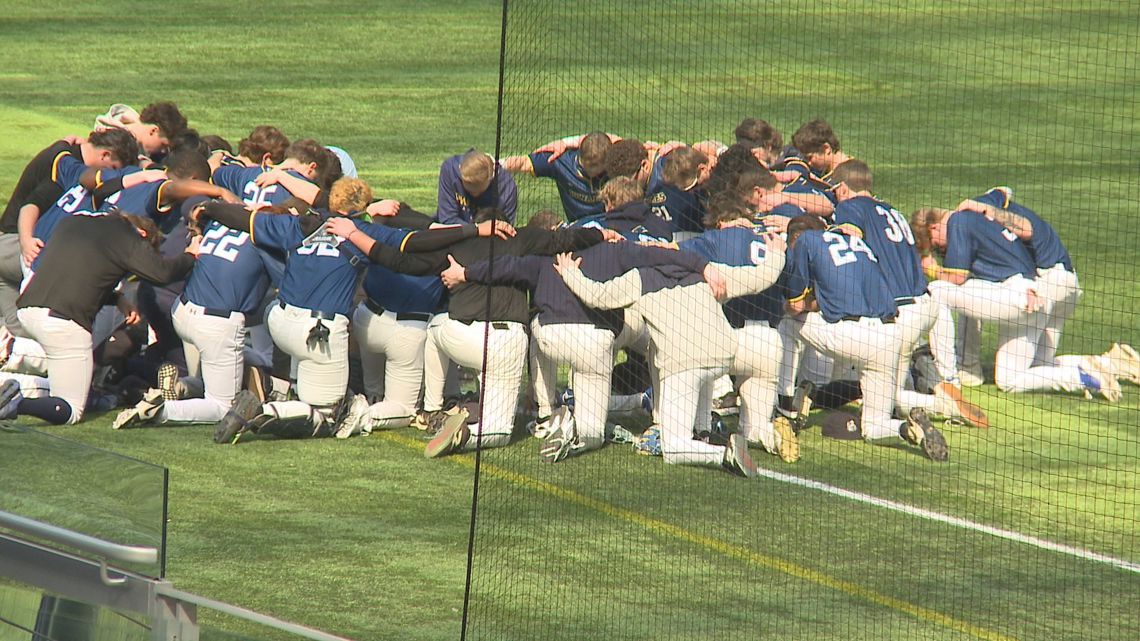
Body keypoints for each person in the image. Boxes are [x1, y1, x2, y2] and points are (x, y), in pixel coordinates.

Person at [200, 200, 511, 444]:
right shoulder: (379, 236)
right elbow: (414, 243)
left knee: (362, 388)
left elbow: (244, 218)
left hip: (293, 320)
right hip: (357, 331)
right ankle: (279, 410)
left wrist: (210, 208)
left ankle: (283, 389)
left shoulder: (305, 223)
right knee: (344, 414)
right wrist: (474, 233)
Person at [329, 208, 610, 457]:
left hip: (457, 337)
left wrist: (353, 233)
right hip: (503, 342)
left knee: (435, 327)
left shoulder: (457, 244)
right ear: (506, 225)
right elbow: (567, 239)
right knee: (497, 433)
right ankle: (470, 433)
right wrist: (602, 235)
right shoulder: (523, 238)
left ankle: (434, 408)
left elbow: (401, 262)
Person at [552, 231, 785, 476]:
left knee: (673, 448)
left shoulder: (638, 278)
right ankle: (703, 430)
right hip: (723, 357)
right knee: (704, 370)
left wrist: (570, 272)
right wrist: (777, 254)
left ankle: (724, 455)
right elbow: (761, 278)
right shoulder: (705, 270)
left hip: (684, 365)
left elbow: (596, 295)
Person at [0, 212, 199, 425]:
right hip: (63, 321)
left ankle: (12, 350)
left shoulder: (76, 220)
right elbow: (162, 273)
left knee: (62, 367)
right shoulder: (126, 236)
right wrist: (190, 255)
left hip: (30, 309)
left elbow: (83, 274)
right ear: (141, 233)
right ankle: (18, 403)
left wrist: (116, 298)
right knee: (72, 407)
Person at [829, 160, 987, 427]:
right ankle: (929, 380)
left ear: (843, 188)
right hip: (927, 304)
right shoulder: (893, 210)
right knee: (889, 376)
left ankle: (941, 405)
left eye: (835, 190)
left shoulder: (849, 207)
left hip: (901, 314)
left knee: (880, 400)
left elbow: (850, 245)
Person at [912, 205, 1123, 401]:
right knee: (1009, 379)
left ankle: (948, 378)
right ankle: (1089, 376)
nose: (939, 250)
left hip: (1018, 297)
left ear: (934, 226)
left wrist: (930, 269)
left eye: (933, 244)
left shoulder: (957, 221)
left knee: (937, 291)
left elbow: (956, 278)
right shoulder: (982, 223)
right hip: (1036, 295)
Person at [782, 215, 949, 462]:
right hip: (891, 335)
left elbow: (794, 306)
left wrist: (808, 304)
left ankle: (785, 405)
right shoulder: (858, 245)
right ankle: (908, 428)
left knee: (786, 322)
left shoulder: (806, 240)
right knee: (873, 427)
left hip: (853, 336)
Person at [499, 132, 611, 221]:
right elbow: (524, 162)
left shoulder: (616, 166)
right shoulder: (561, 161)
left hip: (611, 226)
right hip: (578, 230)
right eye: (587, 165)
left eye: (596, 166)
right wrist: (497, 164)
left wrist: (566, 141)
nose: (591, 170)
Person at [435, 149, 518, 225]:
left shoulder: (507, 188)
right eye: (468, 191)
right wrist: (477, 230)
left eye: (479, 191)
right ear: (460, 169)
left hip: (489, 240)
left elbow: (506, 229)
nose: (474, 194)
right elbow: (447, 219)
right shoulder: (450, 170)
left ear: (491, 178)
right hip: (454, 234)